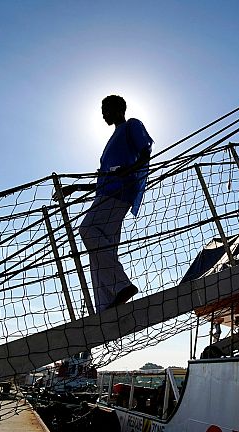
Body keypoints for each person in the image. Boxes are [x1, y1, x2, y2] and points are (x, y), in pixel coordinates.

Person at [57, 95, 154, 312]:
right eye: (102, 110)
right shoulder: (111, 142)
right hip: (108, 193)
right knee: (100, 250)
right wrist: (76, 188)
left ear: (120, 109)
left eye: (107, 109)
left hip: (119, 194)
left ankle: (122, 286)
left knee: (87, 230)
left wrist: (129, 171)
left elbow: (146, 152)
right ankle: (106, 304)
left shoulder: (131, 125)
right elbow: (105, 181)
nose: (104, 114)